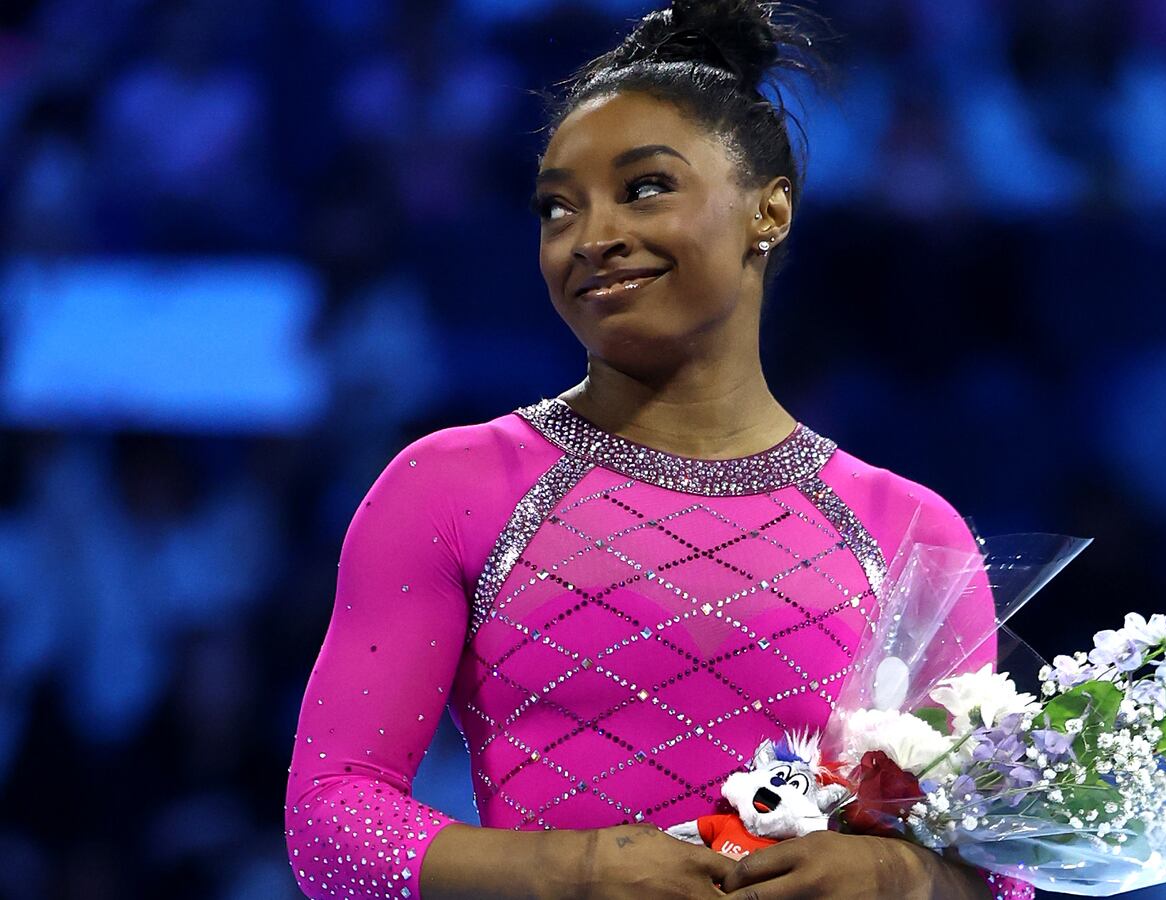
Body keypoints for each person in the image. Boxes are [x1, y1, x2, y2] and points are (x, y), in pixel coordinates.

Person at [284, 2, 1030, 898]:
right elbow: (331, 820)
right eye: (558, 207)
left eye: (644, 188)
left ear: (771, 209)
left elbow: (1003, 870)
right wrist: (577, 867)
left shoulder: (908, 527)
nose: (591, 236)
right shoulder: (451, 486)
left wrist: (895, 876)